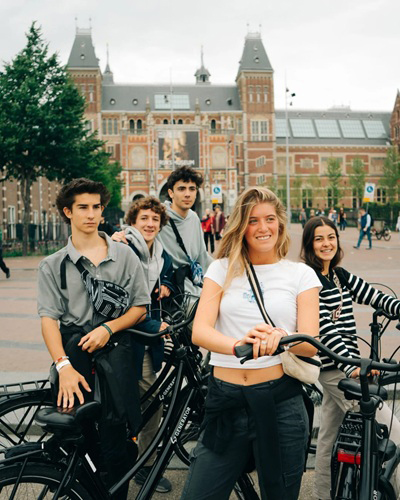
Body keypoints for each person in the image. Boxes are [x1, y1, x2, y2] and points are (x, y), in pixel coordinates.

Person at [182, 186, 321, 500]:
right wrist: (237, 345)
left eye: (269, 219)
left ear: (280, 223)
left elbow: (310, 343)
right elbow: (200, 331)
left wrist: (282, 339)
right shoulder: (221, 269)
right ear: (241, 227)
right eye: (253, 220)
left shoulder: (300, 274)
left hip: (280, 404)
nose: (263, 227)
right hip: (226, 400)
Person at [37, 178, 150, 499]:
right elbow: (49, 320)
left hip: (116, 356)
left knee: (117, 438)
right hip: (75, 358)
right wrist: (63, 367)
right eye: (83, 207)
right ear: (67, 212)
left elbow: (140, 307)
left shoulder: (125, 256)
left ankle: (116, 491)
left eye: (96, 207)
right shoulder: (52, 265)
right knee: (80, 436)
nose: (91, 214)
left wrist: (109, 328)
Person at [300, 216, 400, 500]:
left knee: (329, 435)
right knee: (391, 431)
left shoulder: (339, 276)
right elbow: (324, 329)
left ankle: (322, 494)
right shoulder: (310, 280)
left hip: (346, 367)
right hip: (335, 369)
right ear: (309, 244)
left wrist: (397, 307)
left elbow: (374, 295)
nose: (326, 244)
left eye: (331, 237)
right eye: (319, 239)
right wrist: (350, 365)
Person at [111, 196, 174, 493]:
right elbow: (120, 303)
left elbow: (172, 275)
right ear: (132, 222)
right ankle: (144, 467)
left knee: (146, 401)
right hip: (128, 341)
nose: (150, 224)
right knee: (150, 403)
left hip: (149, 341)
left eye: (155, 219)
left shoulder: (160, 255)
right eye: (144, 219)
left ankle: (137, 460)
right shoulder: (122, 248)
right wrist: (153, 325)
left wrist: (167, 285)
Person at [157, 166, 213, 298]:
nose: (187, 194)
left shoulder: (193, 218)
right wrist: (123, 234)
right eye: (181, 189)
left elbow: (202, 257)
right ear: (171, 193)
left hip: (193, 286)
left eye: (192, 189)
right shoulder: (158, 216)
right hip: (170, 290)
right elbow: (136, 230)